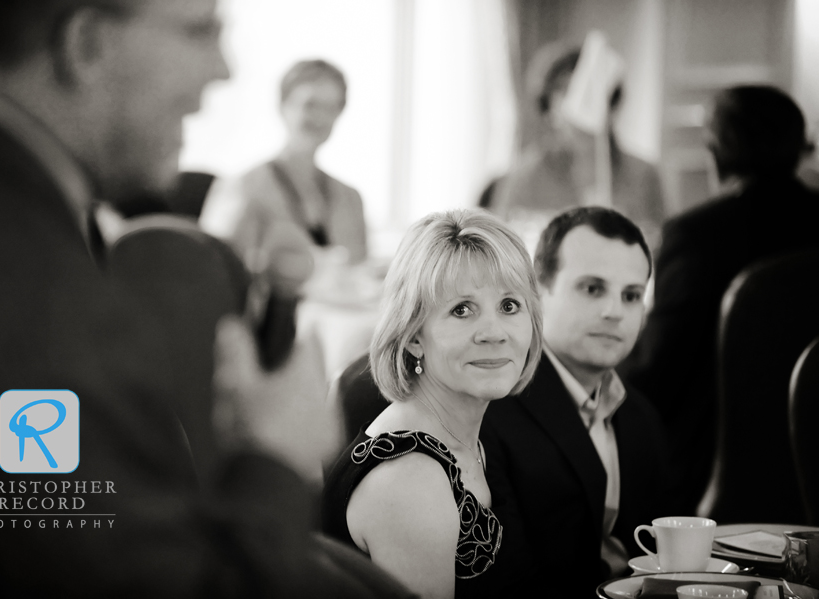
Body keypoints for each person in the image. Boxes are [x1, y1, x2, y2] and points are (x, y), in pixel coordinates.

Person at [0, 1, 409, 596]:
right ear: (87, 43)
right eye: (200, 31)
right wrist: (275, 458)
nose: (224, 68)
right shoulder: (21, 284)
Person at [322, 209, 544, 598]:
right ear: (413, 337)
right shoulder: (410, 479)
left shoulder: (463, 435)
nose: (494, 333)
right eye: (462, 310)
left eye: (510, 306)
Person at [621, 85, 819, 514]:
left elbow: (657, 374)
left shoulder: (697, 236)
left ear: (714, 153)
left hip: (712, 487)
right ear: (801, 150)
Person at [480, 207, 669, 598]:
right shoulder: (492, 406)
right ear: (537, 290)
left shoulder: (640, 417)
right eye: (592, 288)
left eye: (631, 296)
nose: (614, 312)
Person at [200, 58, 367, 271]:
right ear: (282, 106)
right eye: (310, 104)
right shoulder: (243, 187)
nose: (320, 118)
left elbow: (361, 273)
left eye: (331, 107)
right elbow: (212, 270)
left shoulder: (351, 199)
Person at [486, 43, 665, 241]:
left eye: (588, 93)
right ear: (548, 107)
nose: (577, 106)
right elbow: (504, 255)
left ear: (611, 103)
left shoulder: (643, 176)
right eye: (565, 92)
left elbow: (660, 249)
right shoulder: (523, 179)